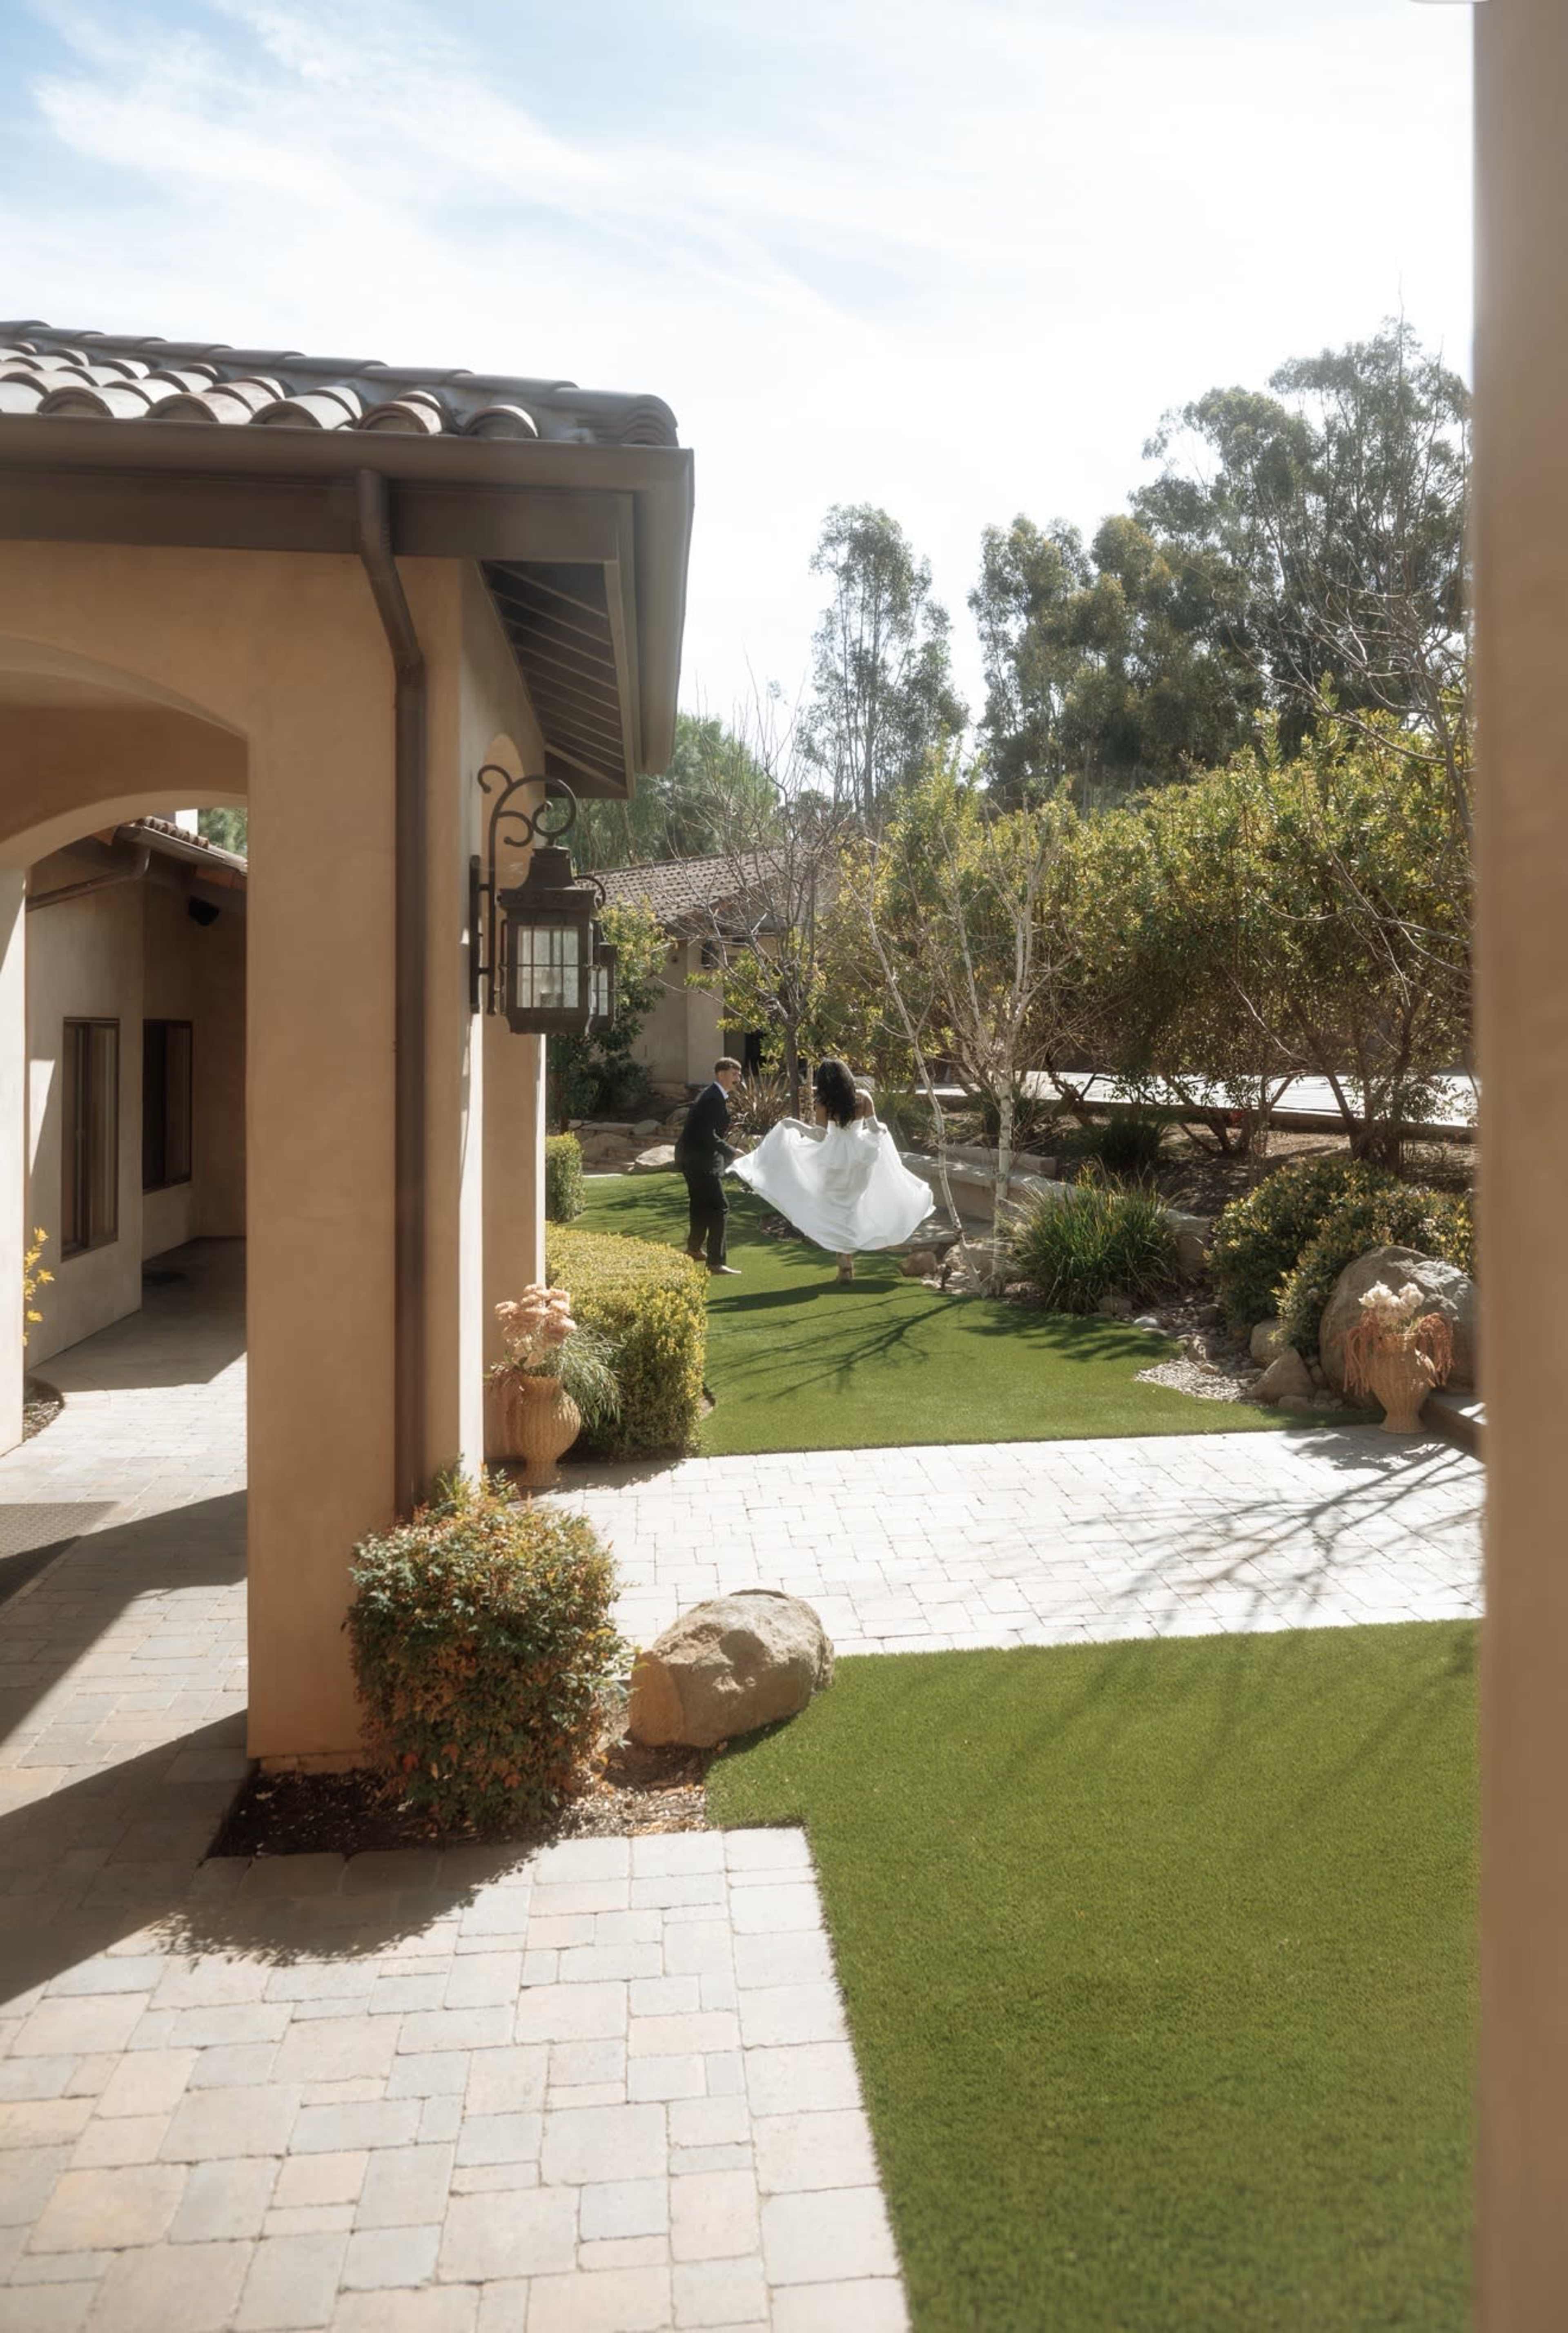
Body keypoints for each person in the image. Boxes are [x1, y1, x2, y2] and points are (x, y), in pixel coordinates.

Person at [729, 1058, 934, 1275]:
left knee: (834, 1208)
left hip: (833, 1160)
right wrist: (879, 1132)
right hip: (860, 1160)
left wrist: (791, 1124)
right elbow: (874, 1129)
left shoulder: (824, 1103)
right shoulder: (864, 1098)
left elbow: (819, 1136)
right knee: (854, 1205)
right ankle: (848, 1255)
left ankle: (844, 1260)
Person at [675, 1056, 743, 1275]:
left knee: (701, 1205)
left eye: (739, 1074)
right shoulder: (713, 1098)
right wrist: (731, 1151)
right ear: (721, 1074)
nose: (738, 1078)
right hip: (701, 1161)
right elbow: (707, 1134)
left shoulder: (712, 1095)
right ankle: (716, 1262)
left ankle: (694, 1249)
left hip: (693, 1159)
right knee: (720, 1207)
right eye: (735, 1074)